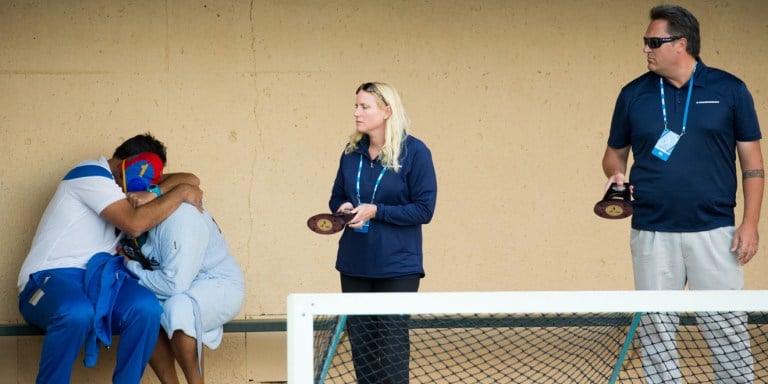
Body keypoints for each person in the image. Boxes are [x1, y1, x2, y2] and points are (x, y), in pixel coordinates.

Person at [601, 5, 763, 383]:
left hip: (714, 231)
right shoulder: (633, 94)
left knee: (727, 329)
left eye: (654, 42)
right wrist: (616, 174)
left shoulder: (730, 89)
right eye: (645, 42)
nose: (646, 49)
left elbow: (753, 165)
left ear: (682, 44)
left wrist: (750, 223)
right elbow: (613, 154)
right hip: (652, 231)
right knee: (656, 331)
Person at [17, 134, 203, 384]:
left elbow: (191, 179)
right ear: (127, 164)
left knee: (146, 308)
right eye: (145, 175)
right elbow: (135, 224)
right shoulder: (90, 172)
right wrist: (180, 193)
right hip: (48, 279)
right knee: (76, 312)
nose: (145, 186)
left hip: (99, 282)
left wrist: (159, 189)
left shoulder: (126, 190)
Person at [328, 82, 437, 383]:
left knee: (391, 346)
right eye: (356, 106)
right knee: (362, 346)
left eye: (365, 107)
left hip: (397, 266)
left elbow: (424, 210)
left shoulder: (415, 152)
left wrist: (377, 211)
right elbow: (336, 197)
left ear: (387, 111)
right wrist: (345, 206)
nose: (356, 113)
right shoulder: (351, 153)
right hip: (354, 263)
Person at [120, 174, 245, 384]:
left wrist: (130, 267)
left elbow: (174, 285)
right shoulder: (124, 216)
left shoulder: (181, 218)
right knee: (144, 310)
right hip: (175, 283)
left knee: (178, 307)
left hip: (217, 284)